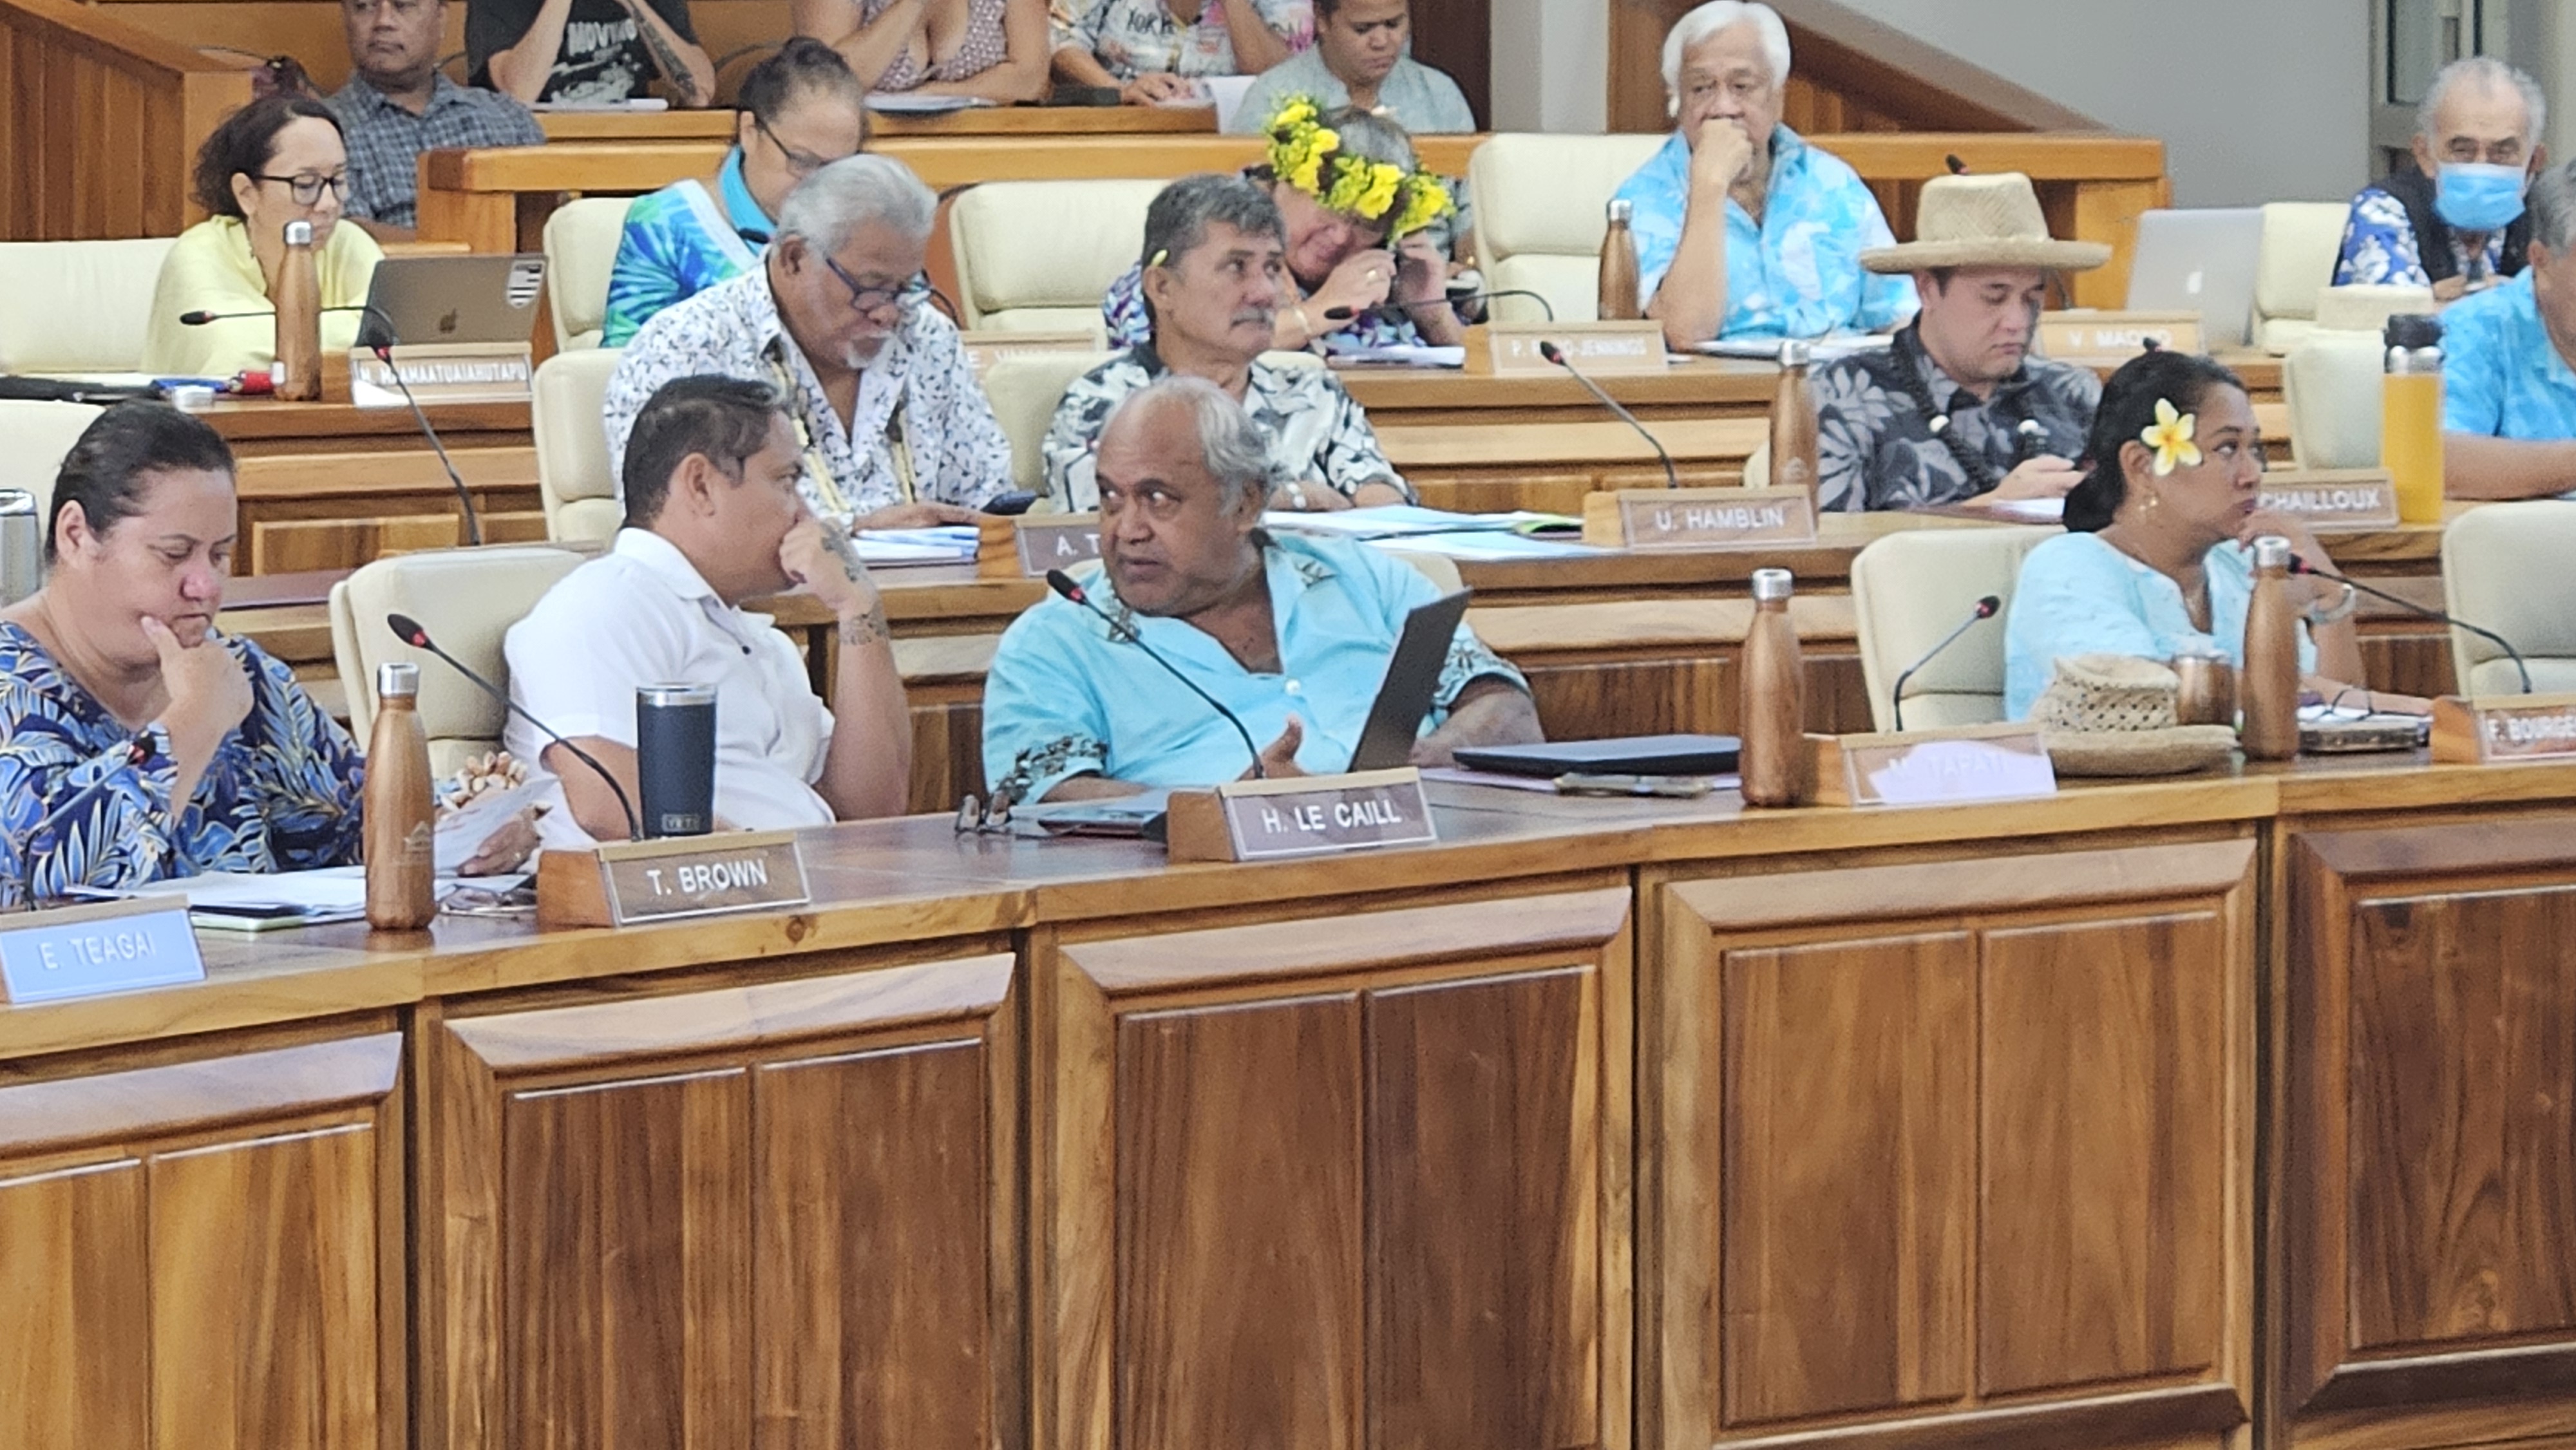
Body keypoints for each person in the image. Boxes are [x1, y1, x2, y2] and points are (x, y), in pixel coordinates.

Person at [0, 404, 531, 906]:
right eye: (175, 554)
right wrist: (193, 721)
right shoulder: (12, 685)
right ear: (75, 536)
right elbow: (40, 883)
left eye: (221, 554)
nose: (204, 586)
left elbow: (353, 822)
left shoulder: (242, 673)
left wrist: (470, 821)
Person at [986, 376, 1537, 803]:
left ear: (1245, 503)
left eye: (1158, 499)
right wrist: (1229, 809)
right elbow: (1048, 801)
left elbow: (1505, 706)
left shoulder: (1369, 581)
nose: (1127, 529)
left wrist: (1433, 759)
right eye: (1110, 498)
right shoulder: (1057, 638)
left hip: (1419, 855)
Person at [506, 375, 913, 843]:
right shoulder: (605, 603)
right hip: (703, 905)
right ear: (700, 485)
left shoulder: (762, 642)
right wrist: (770, 873)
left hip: (803, 890)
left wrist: (859, 608)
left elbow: (872, 808)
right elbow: (607, 804)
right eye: (785, 482)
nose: (806, 515)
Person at [2003, 350, 2426, 720]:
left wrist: (2329, 600)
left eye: (2254, 449)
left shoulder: (2242, 565)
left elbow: (2335, 723)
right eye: (2227, 449)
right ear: (2141, 465)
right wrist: (2394, 708)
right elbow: (2140, 690)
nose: (2252, 475)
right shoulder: (2068, 566)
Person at [604, 154, 1012, 528]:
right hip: (763, 607)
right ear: (795, 258)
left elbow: (988, 498)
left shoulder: (928, 336)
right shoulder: (683, 347)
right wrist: (854, 533)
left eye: (906, 287)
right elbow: (665, 527)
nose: (888, 312)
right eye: (871, 286)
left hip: (943, 596)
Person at [1046, 173, 1409, 511]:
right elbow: (1107, 520)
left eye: (1271, 268)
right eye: (1237, 267)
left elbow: (1381, 496)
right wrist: (1295, 497)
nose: (1265, 292)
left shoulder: (1313, 394)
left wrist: (1382, 509)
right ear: (1162, 287)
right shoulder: (1103, 403)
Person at [1612, 1, 1915, 348]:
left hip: (1835, 388)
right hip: (1714, 394)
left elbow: (1899, 314)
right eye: (1701, 89)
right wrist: (1709, 187)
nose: (1723, 109)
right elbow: (1683, 333)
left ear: (1777, 98)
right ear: (1678, 102)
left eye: (1742, 86)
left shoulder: (1833, 184)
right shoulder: (1642, 198)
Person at [1814, 170, 2107, 513]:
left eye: (2032, 298)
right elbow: (1827, 545)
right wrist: (1993, 508)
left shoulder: (2072, 393)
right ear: (1927, 289)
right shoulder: (1845, 396)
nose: (2017, 322)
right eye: (1994, 298)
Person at [1104, 100, 1461, 353]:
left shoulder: (1383, 280)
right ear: (1283, 182)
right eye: (1328, 209)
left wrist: (1434, 317)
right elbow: (1156, 345)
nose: (1339, 237)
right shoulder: (1213, 235)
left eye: (1364, 224)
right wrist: (1317, 314)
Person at [601, 39, 869, 346]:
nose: (818, 184)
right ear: (750, 132)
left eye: (838, 169)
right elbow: (623, 366)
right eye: (801, 160)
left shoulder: (872, 225)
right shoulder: (665, 223)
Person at [141, 96, 385, 380]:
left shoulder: (347, 241)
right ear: (247, 194)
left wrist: (278, 344)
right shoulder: (198, 252)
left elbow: (396, 335)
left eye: (339, 181)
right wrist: (344, 341)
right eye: (306, 185)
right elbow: (235, 352)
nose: (329, 204)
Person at [332, 0, 546, 239]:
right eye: (364, 6)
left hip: (511, 273)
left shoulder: (508, 117)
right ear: (345, 19)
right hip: (392, 276)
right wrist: (465, 252)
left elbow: (549, 221)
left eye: (403, 6)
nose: (383, 22)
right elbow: (348, 238)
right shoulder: (324, 130)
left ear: (441, 19)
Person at [2334, 57, 2546, 298]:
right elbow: (2385, 317)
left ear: (2533, 162)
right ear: (2425, 155)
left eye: (2502, 152)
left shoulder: (2558, 212)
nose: (2481, 165)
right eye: (2462, 150)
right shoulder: (2383, 208)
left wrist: (2436, 299)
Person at [1225, 0, 1472, 137]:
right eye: (1363, 29)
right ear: (1322, 20)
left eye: (1394, 24)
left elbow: (1474, 206)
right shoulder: (1273, 97)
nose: (1382, 42)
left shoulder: (1438, 93)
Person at [1050, 0, 1311, 105]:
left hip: (1232, 134)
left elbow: (1281, 76)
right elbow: (1060, 38)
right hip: (1121, 126)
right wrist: (1119, 90)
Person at [468, 0, 714, 107]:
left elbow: (699, 92)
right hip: (535, 154)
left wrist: (635, 5)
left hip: (627, 153)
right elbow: (520, 92)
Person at [792, 0, 1050, 100]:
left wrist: (940, 94)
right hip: (859, 153)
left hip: (982, 146)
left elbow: (1030, 79)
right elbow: (825, 81)